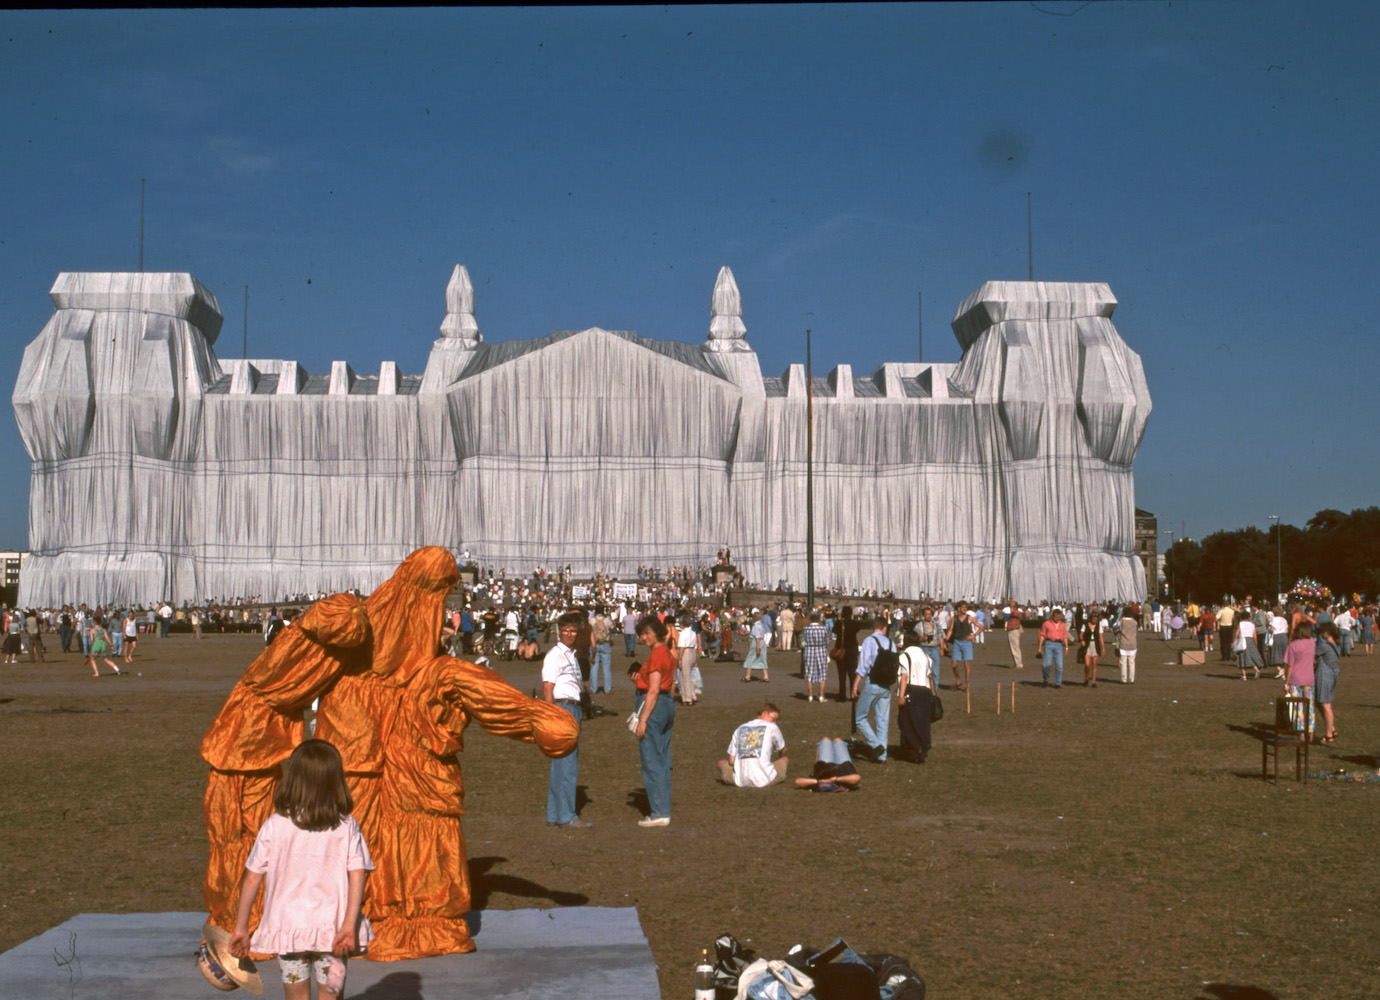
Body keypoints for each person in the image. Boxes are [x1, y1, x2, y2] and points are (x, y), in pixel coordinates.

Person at [228, 740, 374, 1000]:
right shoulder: (347, 826)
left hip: (289, 932)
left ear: (293, 779)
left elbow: (252, 879)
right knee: (331, 997)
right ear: (335, 780)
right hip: (336, 935)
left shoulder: (274, 825)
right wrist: (349, 925)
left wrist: (241, 927)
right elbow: (358, 875)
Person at [543, 613, 591, 829]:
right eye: (566, 631)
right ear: (558, 632)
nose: (570, 634)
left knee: (560, 763)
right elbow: (548, 687)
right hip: (563, 708)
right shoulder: (555, 655)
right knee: (567, 763)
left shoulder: (571, 654)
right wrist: (551, 715)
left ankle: (555, 813)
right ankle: (567, 815)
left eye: (573, 631)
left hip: (573, 707)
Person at [633, 615, 676, 827]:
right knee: (663, 759)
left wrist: (643, 719)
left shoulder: (657, 654)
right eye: (641, 634)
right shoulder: (666, 652)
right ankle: (663, 808)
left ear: (657, 632)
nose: (643, 637)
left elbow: (653, 689)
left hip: (655, 706)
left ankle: (659, 812)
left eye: (647, 633)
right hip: (666, 705)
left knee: (652, 760)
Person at [850, 617, 897, 763]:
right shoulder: (891, 643)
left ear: (873, 627)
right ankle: (882, 756)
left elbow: (863, 665)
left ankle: (877, 746)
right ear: (884, 628)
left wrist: (855, 683)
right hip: (886, 685)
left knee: (860, 718)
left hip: (873, 682)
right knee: (882, 721)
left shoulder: (869, 641)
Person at [717, 702, 788, 787]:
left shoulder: (740, 728)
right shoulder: (771, 727)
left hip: (740, 780)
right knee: (785, 759)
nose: (775, 723)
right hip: (764, 780)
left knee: (721, 763)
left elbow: (731, 761)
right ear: (765, 713)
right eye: (773, 719)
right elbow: (783, 749)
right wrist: (782, 756)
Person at [895, 631, 934, 763]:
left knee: (906, 721)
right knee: (922, 722)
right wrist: (933, 694)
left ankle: (915, 748)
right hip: (925, 691)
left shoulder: (904, 656)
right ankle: (923, 745)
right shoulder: (926, 656)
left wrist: (901, 695)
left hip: (911, 690)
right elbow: (930, 677)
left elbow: (904, 676)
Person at [1283, 621, 1317, 737]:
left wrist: (1286, 682)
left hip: (1295, 679)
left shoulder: (1293, 645)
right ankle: (1311, 732)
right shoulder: (1312, 642)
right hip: (1309, 678)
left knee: (1298, 706)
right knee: (1310, 705)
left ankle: (1301, 731)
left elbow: (1290, 665)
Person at [793, 738, 863, 792]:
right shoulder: (842, 782)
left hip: (826, 763)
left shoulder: (820, 781)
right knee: (838, 740)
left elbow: (798, 781)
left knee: (825, 740)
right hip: (844, 764)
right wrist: (836, 779)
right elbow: (856, 778)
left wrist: (820, 781)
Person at [1313, 621, 1341, 743]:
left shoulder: (1324, 646)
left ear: (1327, 632)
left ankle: (1328, 734)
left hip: (1325, 676)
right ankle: (1332, 728)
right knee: (1319, 703)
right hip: (1333, 676)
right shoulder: (1336, 645)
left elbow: (1312, 655)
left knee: (1325, 705)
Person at [945, 600, 979, 692]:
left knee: (966, 664)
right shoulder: (954, 618)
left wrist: (973, 635)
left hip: (966, 643)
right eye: (963, 607)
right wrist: (945, 640)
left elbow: (980, 627)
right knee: (954, 665)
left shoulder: (970, 618)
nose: (964, 609)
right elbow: (951, 630)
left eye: (965, 607)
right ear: (959, 608)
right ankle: (958, 680)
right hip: (957, 642)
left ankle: (967, 683)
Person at [799, 611, 830, 703]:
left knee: (809, 673)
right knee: (822, 673)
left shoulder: (806, 629)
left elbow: (802, 642)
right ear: (818, 619)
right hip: (821, 651)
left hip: (809, 651)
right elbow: (827, 642)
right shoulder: (823, 629)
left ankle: (810, 696)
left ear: (810, 619)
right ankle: (821, 696)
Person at [1038, 609, 1069, 688]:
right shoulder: (1046, 624)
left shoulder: (1062, 625)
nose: (1057, 619)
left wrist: (1066, 648)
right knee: (1046, 664)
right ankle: (1046, 679)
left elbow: (1065, 636)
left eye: (1059, 617)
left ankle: (1058, 683)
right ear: (1052, 616)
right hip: (1049, 643)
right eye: (1055, 617)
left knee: (1059, 666)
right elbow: (1042, 635)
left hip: (1059, 644)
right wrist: (1040, 647)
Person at [676, 611, 699, 705]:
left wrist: (679, 658)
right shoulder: (693, 633)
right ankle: (692, 695)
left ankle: (688, 698)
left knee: (684, 676)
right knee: (688, 675)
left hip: (686, 653)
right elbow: (696, 646)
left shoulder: (683, 633)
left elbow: (682, 647)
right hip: (693, 652)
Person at [1078, 606, 1104, 687]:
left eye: (1096, 619)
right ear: (1091, 618)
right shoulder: (1085, 625)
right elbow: (1081, 634)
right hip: (1087, 645)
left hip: (1095, 646)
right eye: (1093, 618)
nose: (1094, 620)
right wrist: (1082, 640)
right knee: (1087, 664)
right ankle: (1086, 678)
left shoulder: (1099, 626)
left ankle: (1093, 682)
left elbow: (1100, 637)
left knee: (1094, 664)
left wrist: (1103, 647)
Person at [589, 607, 613, 693]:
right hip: (605, 643)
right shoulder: (607, 620)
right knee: (606, 667)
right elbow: (611, 627)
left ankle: (593, 689)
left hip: (594, 644)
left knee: (594, 667)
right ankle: (607, 689)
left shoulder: (591, 621)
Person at [1233, 612, 1263, 680]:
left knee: (1242, 657)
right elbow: (1255, 636)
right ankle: (1256, 669)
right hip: (1251, 641)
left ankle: (1244, 675)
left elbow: (1237, 634)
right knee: (1250, 656)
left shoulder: (1241, 624)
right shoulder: (1252, 624)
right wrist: (1256, 646)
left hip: (1242, 640)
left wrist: (1234, 642)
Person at [742, 610, 770, 682]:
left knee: (750, 658)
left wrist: (757, 648)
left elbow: (757, 637)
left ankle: (747, 676)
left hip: (756, 642)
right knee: (763, 659)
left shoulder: (756, 626)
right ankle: (765, 676)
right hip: (762, 642)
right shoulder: (761, 624)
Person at [1116, 604, 1139, 685]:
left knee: (1123, 663)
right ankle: (1131, 679)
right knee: (1132, 662)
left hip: (1123, 644)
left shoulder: (1121, 622)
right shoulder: (1134, 622)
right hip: (1133, 644)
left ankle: (1124, 679)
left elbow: (1114, 627)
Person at [1004, 602, 1024, 670]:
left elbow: (1016, 615)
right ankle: (1016, 662)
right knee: (1013, 647)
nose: (1010, 608)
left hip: (1014, 630)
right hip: (1011, 630)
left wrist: (1012, 610)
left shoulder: (1017, 612)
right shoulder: (1013, 613)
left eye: (1012, 606)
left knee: (1015, 647)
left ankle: (1019, 664)